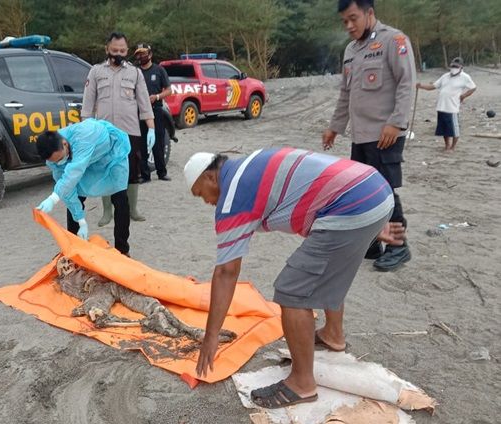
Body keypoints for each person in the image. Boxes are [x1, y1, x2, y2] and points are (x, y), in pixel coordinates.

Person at [187, 148, 405, 409]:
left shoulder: (232, 197)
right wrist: (370, 218)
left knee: (292, 289)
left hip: (352, 206)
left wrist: (211, 336)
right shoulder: (250, 163)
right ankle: (333, 334)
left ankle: (302, 384)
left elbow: (226, 272)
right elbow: (315, 179)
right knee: (325, 268)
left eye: (201, 194)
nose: (207, 202)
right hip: (373, 189)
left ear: (211, 177)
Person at [322, 0, 415, 272]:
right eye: (344, 21)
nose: (349, 26)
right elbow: (346, 94)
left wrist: (396, 124)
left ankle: (399, 247)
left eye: (354, 18)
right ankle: (373, 242)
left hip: (385, 134)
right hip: (360, 136)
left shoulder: (393, 40)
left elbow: (406, 83)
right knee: (363, 192)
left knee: (385, 191)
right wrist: (335, 127)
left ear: (369, 13)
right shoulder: (351, 50)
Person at [81, 32, 156, 226]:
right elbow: (88, 103)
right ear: (107, 49)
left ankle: (133, 209)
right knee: (106, 169)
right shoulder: (96, 71)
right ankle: (107, 211)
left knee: (132, 170)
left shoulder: (135, 72)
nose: (118, 53)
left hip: (129, 131)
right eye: (115, 50)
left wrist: (151, 128)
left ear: (127, 51)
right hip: (104, 132)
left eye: (122, 50)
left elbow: (144, 102)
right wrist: (86, 129)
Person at [35, 119, 131, 255]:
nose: (59, 162)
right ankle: (73, 249)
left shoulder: (85, 134)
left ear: (64, 143)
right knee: (74, 195)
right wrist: (81, 220)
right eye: (55, 161)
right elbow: (68, 190)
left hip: (111, 157)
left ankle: (122, 250)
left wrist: (53, 198)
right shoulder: (54, 160)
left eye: (60, 158)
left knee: (120, 199)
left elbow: (75, 171)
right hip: (83, 164)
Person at [416, 57, 476, 151]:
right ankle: (447, 145)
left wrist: (463, 96)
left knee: (454, 129)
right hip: (441, 106)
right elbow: (434, 86)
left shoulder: (465, 77)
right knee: (444, 129)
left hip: (452, 107)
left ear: (461, 67)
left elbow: (473, 87)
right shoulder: (445, 76)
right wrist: (421, 86)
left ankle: (453, 146)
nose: (453, 68)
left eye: (456, 66)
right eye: (452, 66)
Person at [134, 43, 172, 182]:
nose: (141, 56)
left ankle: (162, 172)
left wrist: (156, 97)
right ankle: (145, 175)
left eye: (143, 53)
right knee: (142, 143)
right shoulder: (135, 71)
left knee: (158, 142)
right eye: (138, 54)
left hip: (156, 110)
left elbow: (169, 90)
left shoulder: (159, 70)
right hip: (139, 112)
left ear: (150, 54)